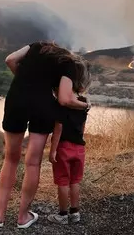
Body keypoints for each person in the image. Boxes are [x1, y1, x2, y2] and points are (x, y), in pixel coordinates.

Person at [0, 42, 91, 229]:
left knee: (10, 158)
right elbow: (65, 99)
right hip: (43, 106)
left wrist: (26, 83)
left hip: (17, 99)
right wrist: (85, 105)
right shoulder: (69, 64)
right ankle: (23, 217)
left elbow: (10, 60)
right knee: (32, 162)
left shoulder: (36, 46)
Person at [47, 90, 89, 225]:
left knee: (63, 182)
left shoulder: (62, 103)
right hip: (79, 148)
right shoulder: (82, 102)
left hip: (64, 147)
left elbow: (58, 128)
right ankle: (75, 212)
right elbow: (82, 127)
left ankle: (63, 215)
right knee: (75, 181)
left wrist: (53, 150)